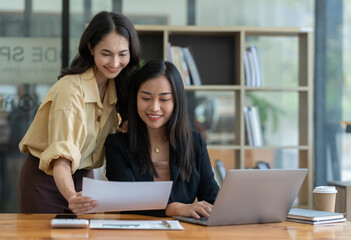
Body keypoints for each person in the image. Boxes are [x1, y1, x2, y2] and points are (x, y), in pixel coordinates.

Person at [18, 11, 141, 215]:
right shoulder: (71, 90)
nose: (115, 63)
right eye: (106, 53)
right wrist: (71, 195)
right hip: (46, 180)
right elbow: (61, 160)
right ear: (91, 48)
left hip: (84, 178)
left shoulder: (117, 89)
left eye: (122, 54)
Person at [105, 60, 219, 218]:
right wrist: (174, 209)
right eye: (146, 98)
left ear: (176, 102)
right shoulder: (117, 145)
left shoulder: (195, 144)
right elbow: (127, 200)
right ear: (135, 98)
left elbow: (212, 200)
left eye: (164, 99)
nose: (154, 107)